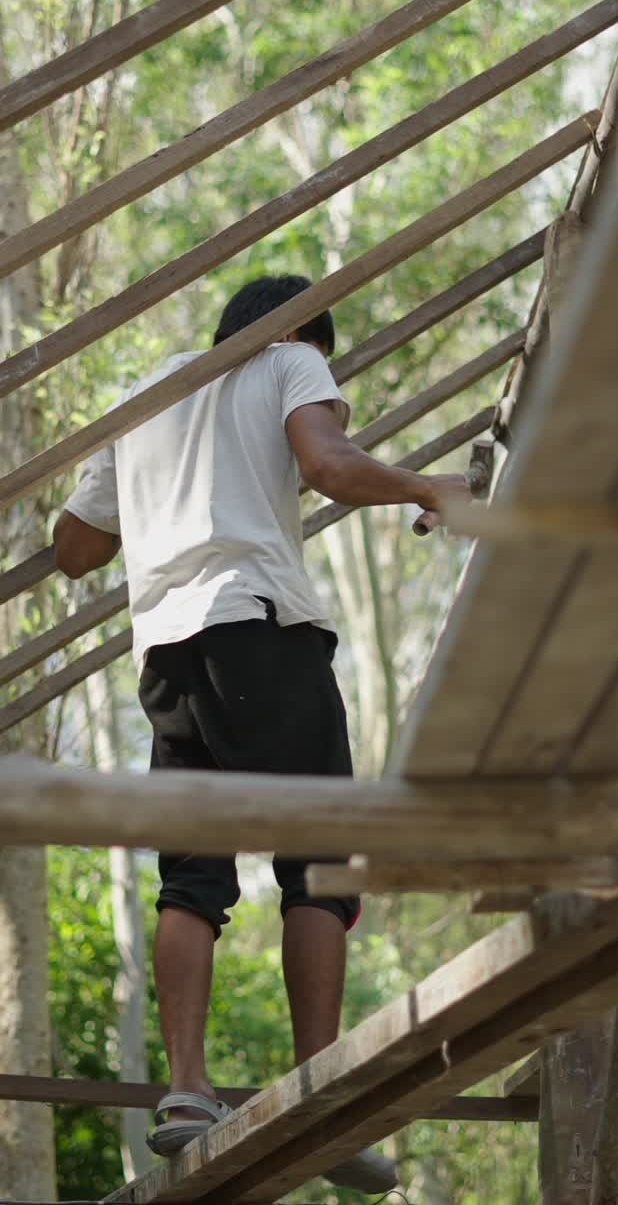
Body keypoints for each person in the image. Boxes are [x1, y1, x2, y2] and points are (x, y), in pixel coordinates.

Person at [54, 274, 467, 1190]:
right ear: (304, 338)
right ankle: (320, 1088)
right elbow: (326, 466)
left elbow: (76, 549)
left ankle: (188, 1091)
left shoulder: (148, 394)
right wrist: (421, 483)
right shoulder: (291, 360)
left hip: (168, 658)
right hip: (261, 631)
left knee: (192, 880)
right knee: (320, 863)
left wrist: (145, 485)